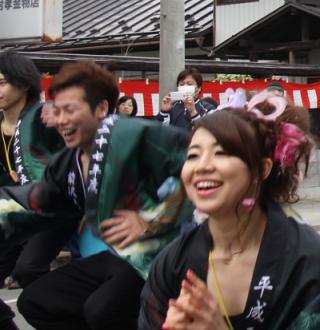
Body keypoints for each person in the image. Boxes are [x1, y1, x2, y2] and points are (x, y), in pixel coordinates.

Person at [140, 92, 320, 329]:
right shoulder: (172, 263)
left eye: (220, 153)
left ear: (261, 169)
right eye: (192, 155)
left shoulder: (305, 258)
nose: (201, 167)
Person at [0, 60, 192, 329]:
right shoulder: (68, 163)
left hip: (170, 255)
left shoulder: (135, 135)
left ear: (102, 108)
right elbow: (33, 202)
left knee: (102, 310)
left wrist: (153, 220)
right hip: (121, 257)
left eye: (71, 110)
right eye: (58, 110)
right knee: (37, 301)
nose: (62, 120)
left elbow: (199, 170)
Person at [0, 52, 68, 329]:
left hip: (50, 211)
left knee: (27, 270)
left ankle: (71, 310)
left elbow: (75, 157)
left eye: (2, 82)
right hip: (13, 214)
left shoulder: (46, 118)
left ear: (24, 83)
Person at [159, 67, 218, 131]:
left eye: (189, 84)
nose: (185, 87)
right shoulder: (173, 107)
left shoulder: (208, 108)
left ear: (199, 88)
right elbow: (161, 132)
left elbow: (207, 132)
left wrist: (193, 112)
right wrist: (164, 112)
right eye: (181, 84)